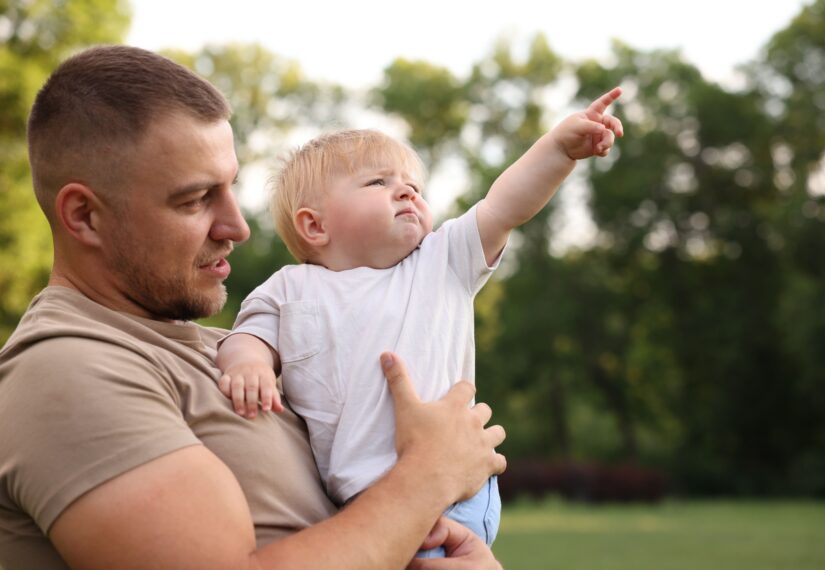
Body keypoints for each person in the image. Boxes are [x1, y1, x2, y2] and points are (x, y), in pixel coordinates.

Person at [0, 44, 507, 570]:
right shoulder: (65, 371)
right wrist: (428, 476)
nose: (237, 227)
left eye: (231, 188)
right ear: (84, 216)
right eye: (196, 199)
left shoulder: (236, 350)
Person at [215, 91, 623, 555]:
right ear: (315, 227)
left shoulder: (440, 261)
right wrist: (248, 365)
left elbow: (505, 205)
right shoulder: (289, 288)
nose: (407, 191)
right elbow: (248, 335)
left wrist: (558, 150)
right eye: (377, 182)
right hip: (360, 502)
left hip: (453, 492)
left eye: (414, 187)